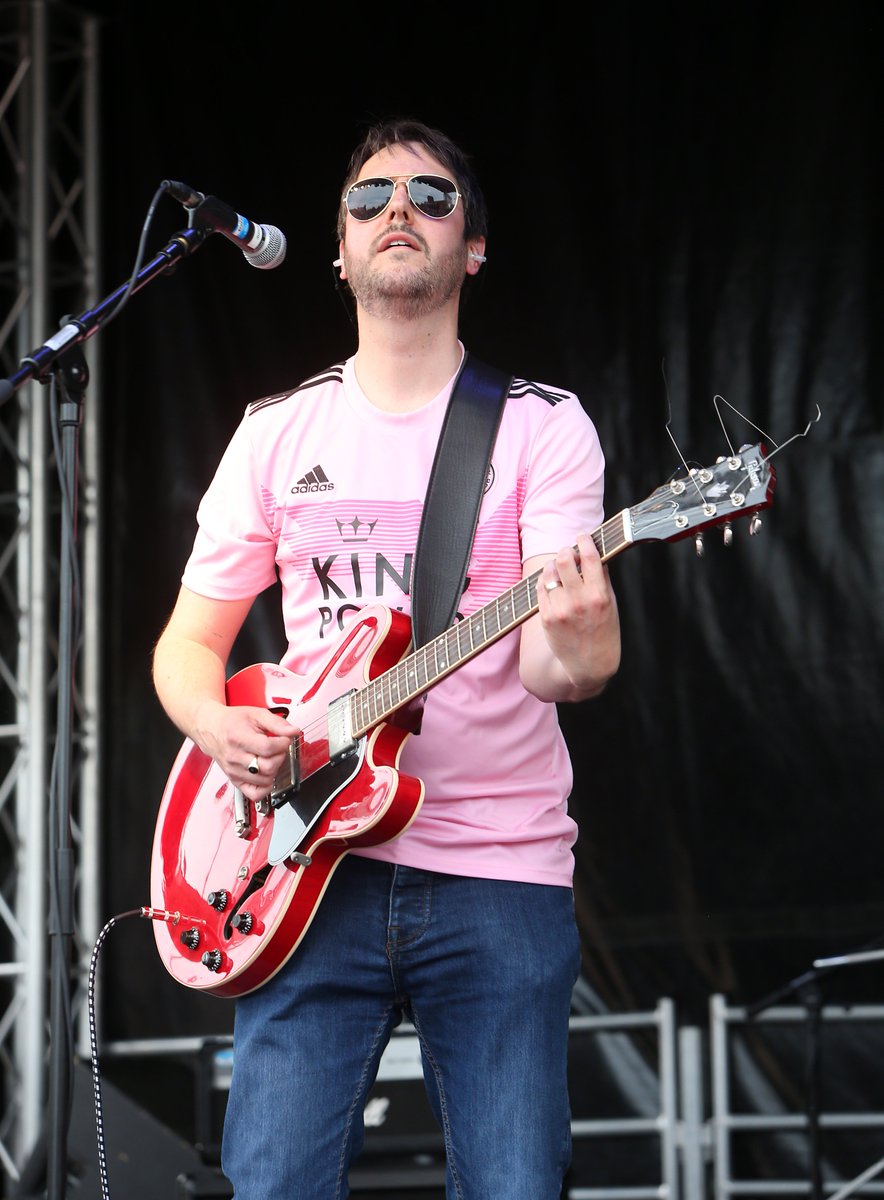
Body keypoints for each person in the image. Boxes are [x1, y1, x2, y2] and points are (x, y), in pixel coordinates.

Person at [152, 117, 621, 1200]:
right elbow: (189, 644)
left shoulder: (540, 430)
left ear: (473, 247)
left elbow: (557, 674)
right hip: (305, 867)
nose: (395, 211)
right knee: (270, 1184)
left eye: (428, 195)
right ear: (338, 247)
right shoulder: (275, 431)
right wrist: (215, 724)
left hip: (496, 868)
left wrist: (585, 641)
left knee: (511, 1186)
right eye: (368, 199)